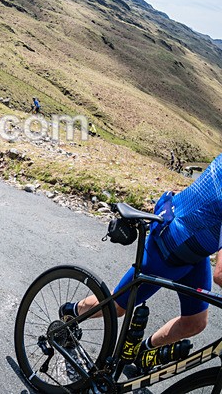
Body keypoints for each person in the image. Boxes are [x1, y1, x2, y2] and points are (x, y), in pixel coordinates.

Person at [61, 153, 222, 371]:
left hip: (193, 249)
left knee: (195, 322)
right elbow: (220, 274)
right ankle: (70, 314)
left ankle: (141, 352)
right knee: (117, 308)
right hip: (169, 245)